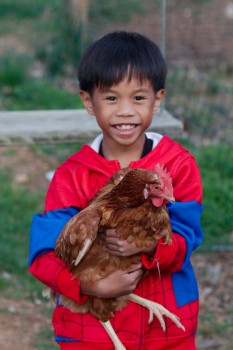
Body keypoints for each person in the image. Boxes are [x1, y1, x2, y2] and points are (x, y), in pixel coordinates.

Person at [29, 31, 203, 350]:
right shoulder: (73, 175)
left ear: (158, 99)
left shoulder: (178, 164)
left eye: (138, 98)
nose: (125, 111)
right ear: (88, 101)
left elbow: (187, 237)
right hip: (91, 331)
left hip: (165, 328)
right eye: (111, 98)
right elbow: (43, 253)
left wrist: (149, 245)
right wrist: (88, 284)